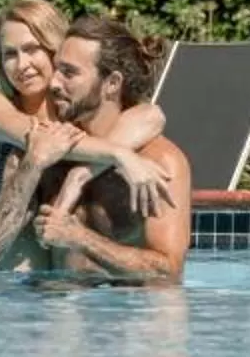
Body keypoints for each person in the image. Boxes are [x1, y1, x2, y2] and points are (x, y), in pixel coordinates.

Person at [0, 0, 171, 272]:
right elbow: (39, 139)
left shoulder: (74, 114)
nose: (21, 65)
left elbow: (151, 115)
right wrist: (119, 153)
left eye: (32, 49)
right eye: (10, 54)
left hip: (57, 289)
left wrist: (80, 174)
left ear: (55, 49)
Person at [33, 15, 194, 284]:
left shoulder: (159, 162)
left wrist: (78, 237)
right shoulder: (54, 147)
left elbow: (168, 270)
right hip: (56, 309)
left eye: (69, 73)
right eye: (56, 69)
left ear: (112, 84)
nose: (54, 83)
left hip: (126, 315)